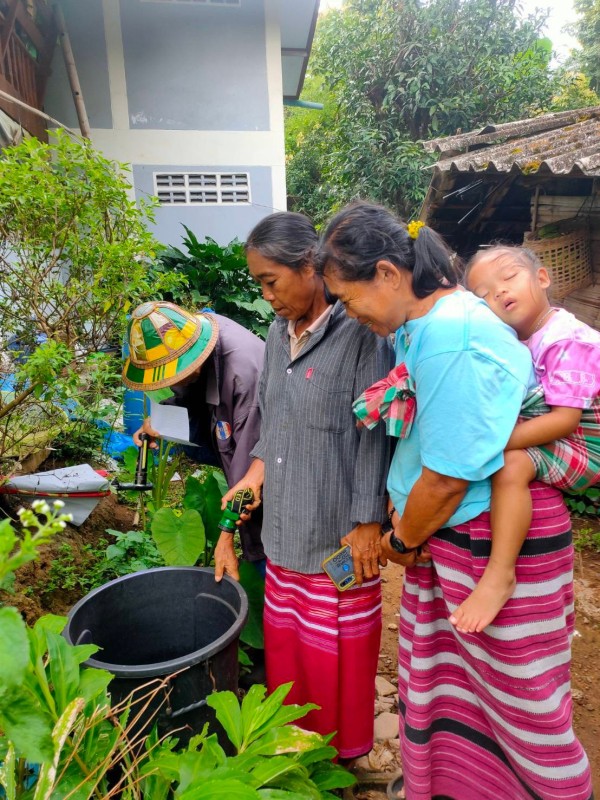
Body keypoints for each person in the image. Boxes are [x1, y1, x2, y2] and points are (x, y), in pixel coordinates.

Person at [319, 202, 593, 800]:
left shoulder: (451, 339)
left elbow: (446, 477)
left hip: (487, 537)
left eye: (347, 297)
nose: (347, 313)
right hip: (461, 534)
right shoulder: (425, 329)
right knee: (455, 687)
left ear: (389, 274)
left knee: (519, 702)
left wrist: (401, 539)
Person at [218, 211, 394, 761]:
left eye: (272, 281)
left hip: (338, 533)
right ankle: (298, 752)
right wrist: (251, 478)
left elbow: (375, 436)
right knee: (292, 653)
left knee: (338, 655)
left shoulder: (360, 332)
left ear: (311, 267)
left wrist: (368, 524)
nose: (267, 296)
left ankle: (342, 757)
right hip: (287, 531)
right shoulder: (276, 334)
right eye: (260, 285)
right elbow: (275, 425)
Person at [450, 245, 600, 633]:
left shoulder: (566, 339)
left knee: (511, 464)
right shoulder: (515, 343)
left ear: (543, 278)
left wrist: (495, 443)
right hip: (556, 433)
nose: (498, 293)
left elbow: (565, 421)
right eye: (483, 295)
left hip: (586, 442)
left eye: (508, 277)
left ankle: (500, 573)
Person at [122, 300, 266, 568]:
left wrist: (225, 538)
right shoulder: (190, 337)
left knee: (268, 544)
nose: (172, 383)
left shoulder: (243, 377)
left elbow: (249, 476)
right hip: (241, 451)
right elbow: (190, 396)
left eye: (175, 374)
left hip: (272, 470)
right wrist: (158, 423)